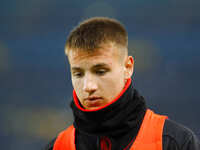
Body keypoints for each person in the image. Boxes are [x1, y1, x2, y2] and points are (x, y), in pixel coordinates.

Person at [44, 17, 200, 150]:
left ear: (128, 68)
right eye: (78, 74)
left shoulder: (176, 143)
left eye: (100, 71)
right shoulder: (57, 146)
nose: (88, 86)